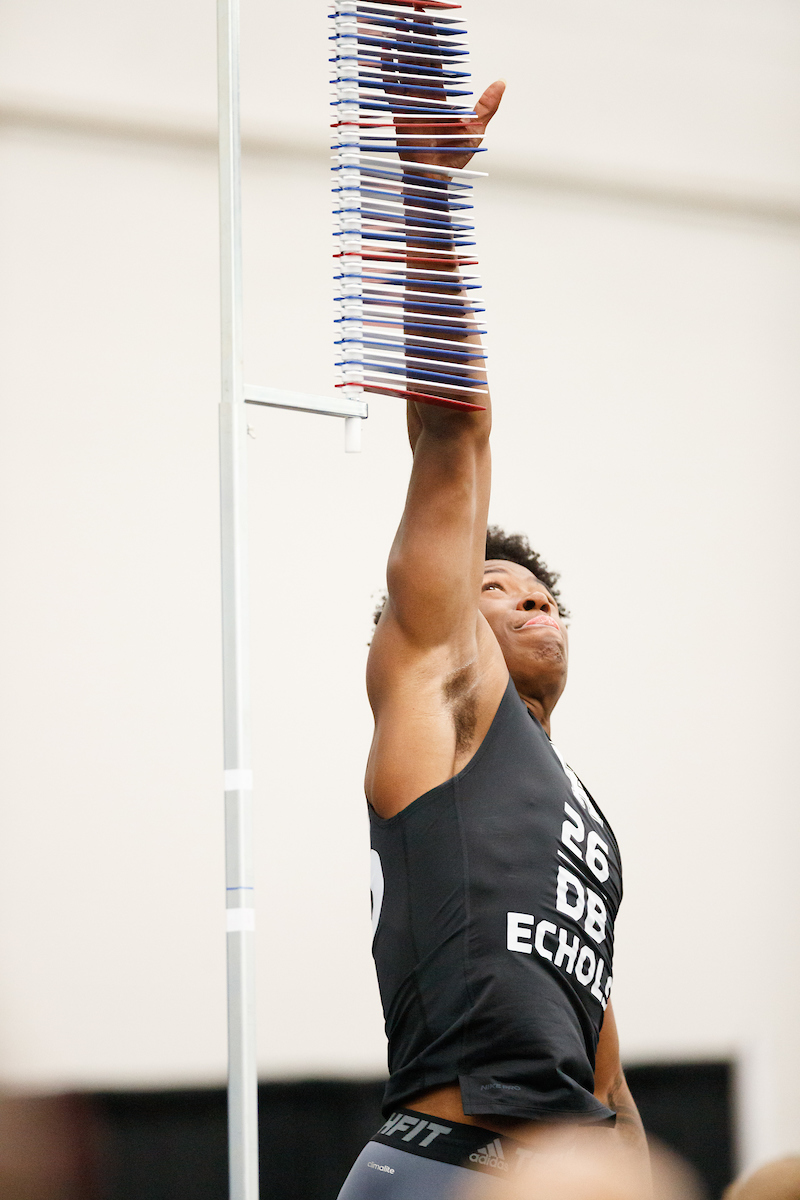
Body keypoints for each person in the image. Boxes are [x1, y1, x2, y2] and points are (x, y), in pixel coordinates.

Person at [336, 69, 649, 1200]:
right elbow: (452, 441)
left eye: (541, 592)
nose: (531, 602)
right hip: (444, 1166)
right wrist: (428, 196)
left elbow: (598, 1060)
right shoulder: (444, 705)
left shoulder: (579, 816)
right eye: (496, 588)